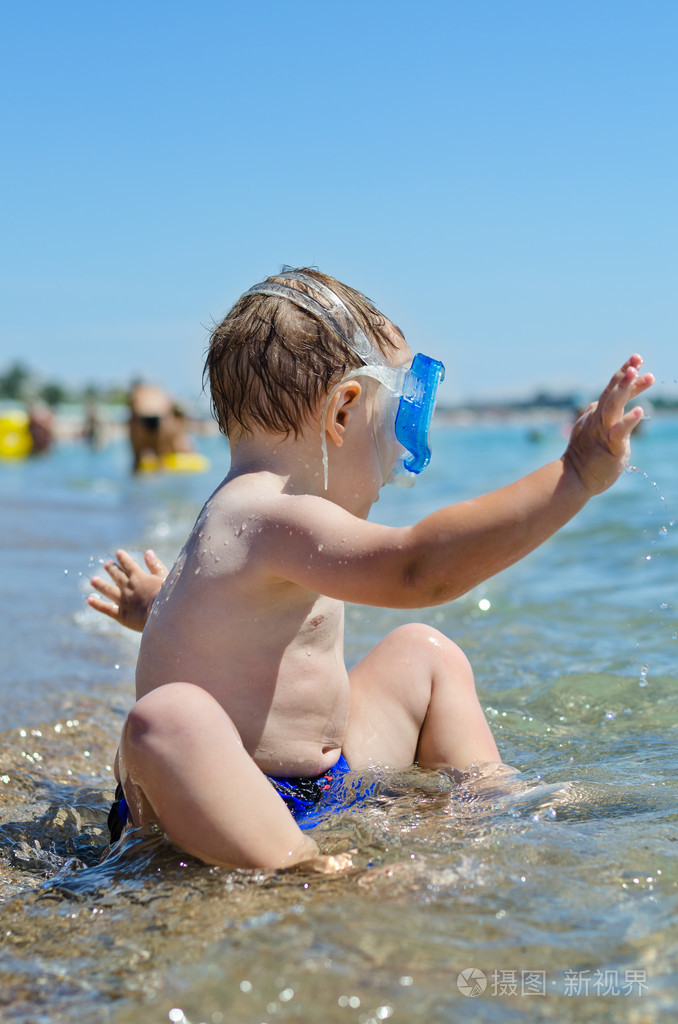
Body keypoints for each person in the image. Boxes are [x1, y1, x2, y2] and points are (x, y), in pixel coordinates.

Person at [89, 267, 653, 871]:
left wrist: (159, 610)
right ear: (343, 411)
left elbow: (227, 623)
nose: (399, 460)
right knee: (166, 719)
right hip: (223, 802)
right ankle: (303, 866)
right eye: (398, 424)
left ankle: (492, 797)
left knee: (425, 655)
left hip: (323, 781)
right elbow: (419, 569)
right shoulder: (269, 514)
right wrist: (573, 475)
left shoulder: (249, 517)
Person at [128, 380, 193, 472]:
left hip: (141, 419)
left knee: (137, 463)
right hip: (159, 418)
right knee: (162, 461)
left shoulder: (139, 394)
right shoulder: (160, 394)